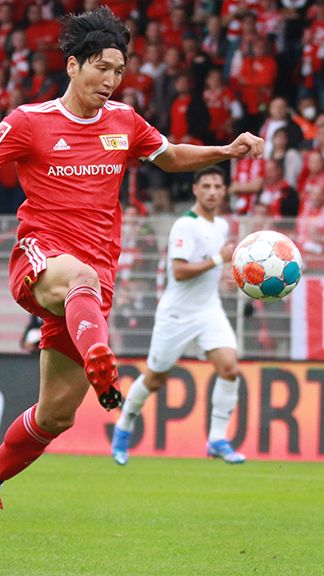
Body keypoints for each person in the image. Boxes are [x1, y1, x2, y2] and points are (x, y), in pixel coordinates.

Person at [0, 7, 264, 546]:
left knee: (55, 417)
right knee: (78, 277)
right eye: (102, 68)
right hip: (41, 262)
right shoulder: (28, 122)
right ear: (74, 66)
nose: (111, 80)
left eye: (120, 71)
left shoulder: (125, 122)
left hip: (92, 287)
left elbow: (170, 157)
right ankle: (102, 358)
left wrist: (224, 150)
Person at [110, 166, 244, 466]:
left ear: (224, 192)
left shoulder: (221, 226)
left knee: (230, 368)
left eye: (217, 186)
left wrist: (225, 276)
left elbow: (212, 268)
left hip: (209, 310)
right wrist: (217, 260)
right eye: (205, 185)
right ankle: (124, 426)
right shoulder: (184, 225)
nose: (211, 191)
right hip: (177, 314)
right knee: (155, 379)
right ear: (195, 189)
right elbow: (181, 272)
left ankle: (217, 439)